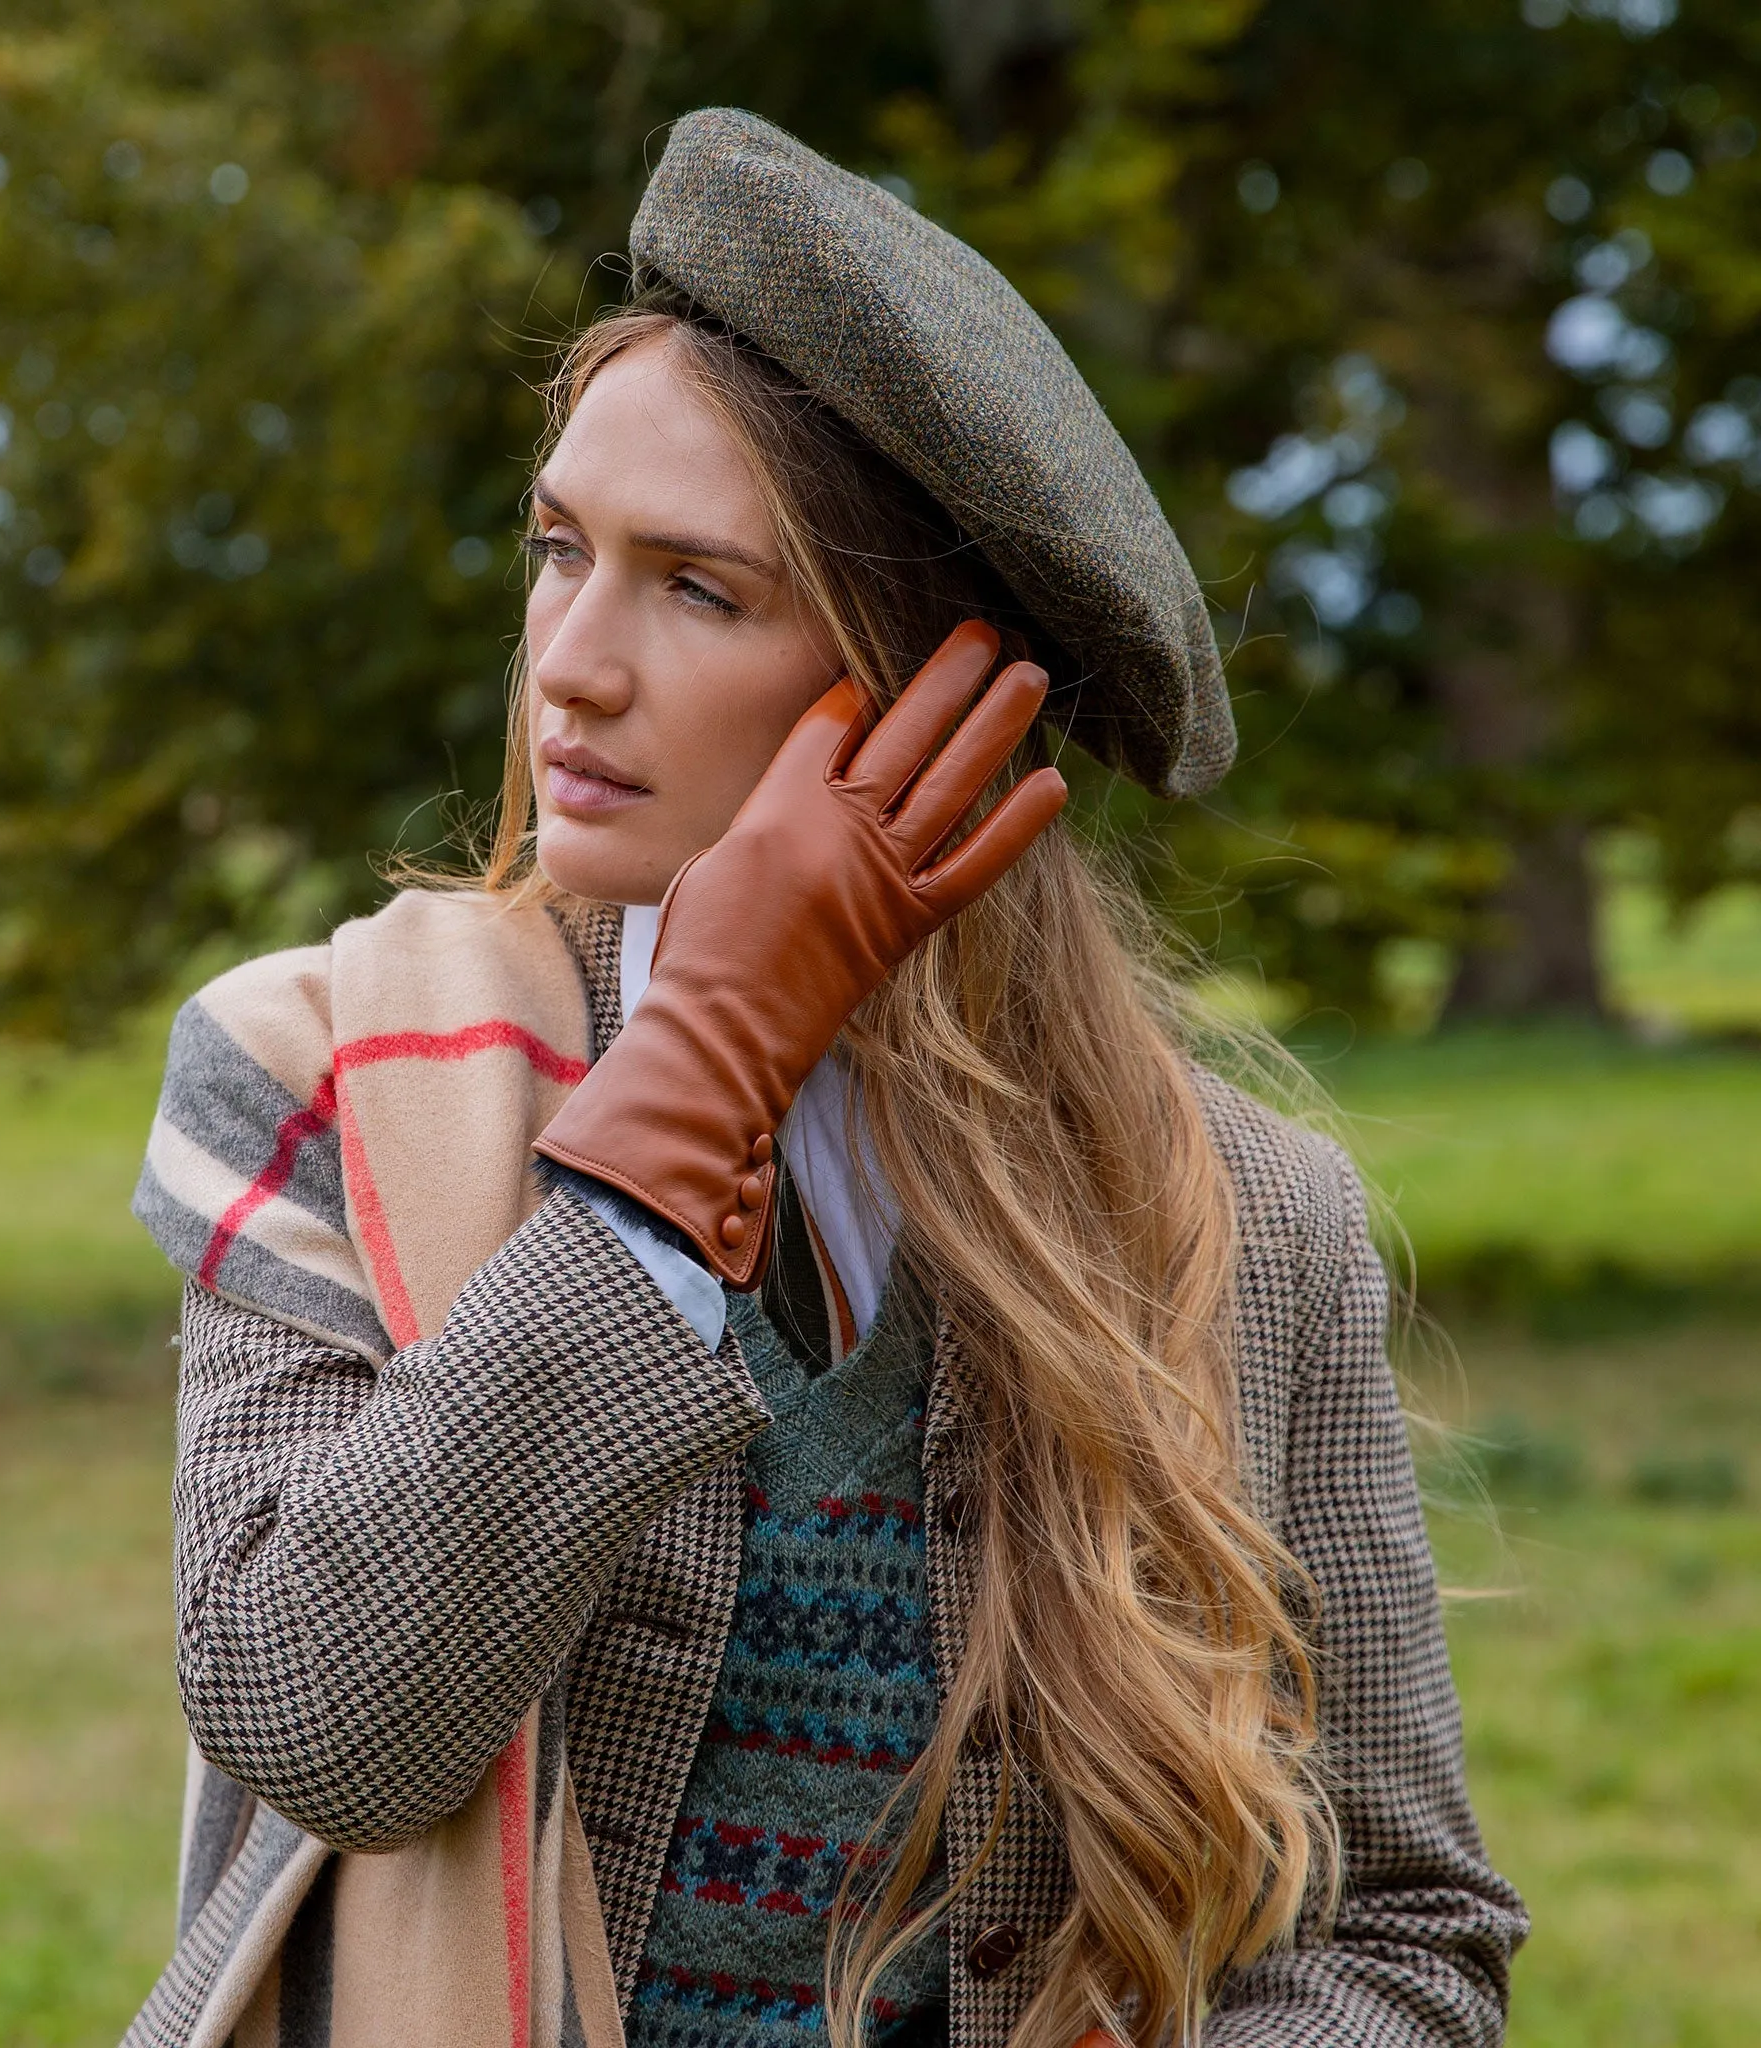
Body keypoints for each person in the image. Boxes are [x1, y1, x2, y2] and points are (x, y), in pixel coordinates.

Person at [126, 108, 1525, 2048]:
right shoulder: (319, 1070)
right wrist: (684, 1092)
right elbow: (324, 1719)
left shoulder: (1240, 1218)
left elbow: (1402, 1929)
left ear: (935, 693)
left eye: (698, 588)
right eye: (557, 551)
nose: (572, 664)